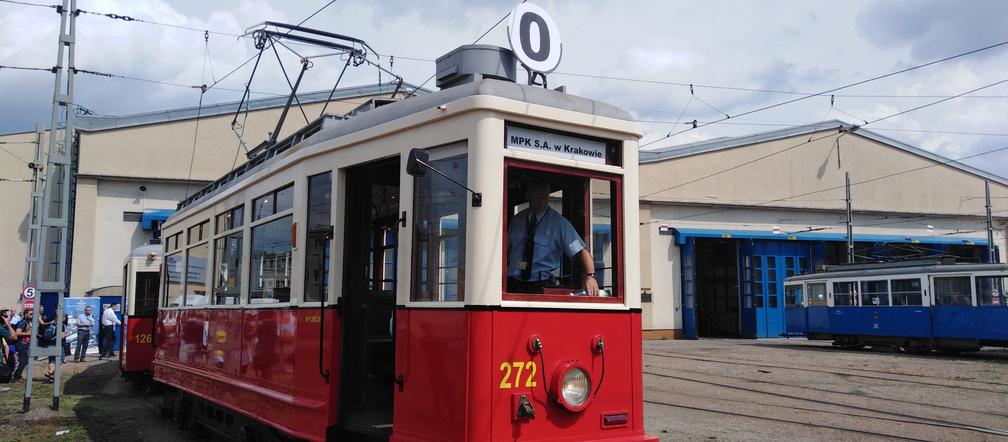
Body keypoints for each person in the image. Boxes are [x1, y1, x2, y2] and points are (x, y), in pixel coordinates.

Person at [506, 178, 599, 295]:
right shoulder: (517, 219)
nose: (540, 202)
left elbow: (581, 250)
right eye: (536, 198)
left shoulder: (559, 224)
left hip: (539, 286)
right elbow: (506, 250)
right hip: (512, 284)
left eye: (544, 198)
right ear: (527, 196)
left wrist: (590, 276)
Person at [12, 308, 34, 381]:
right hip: (21, 344)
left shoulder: (29, 322)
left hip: (26, 344)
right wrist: (29, 334)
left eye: (33, 314)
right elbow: (17, 333)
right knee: (24, 361)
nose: (32, 315)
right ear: (25, 315)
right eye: (30, 314)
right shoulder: (23, 322)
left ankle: (18, 375)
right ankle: (16, 376)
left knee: (24, 361)